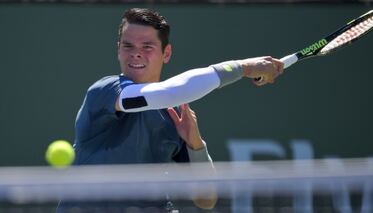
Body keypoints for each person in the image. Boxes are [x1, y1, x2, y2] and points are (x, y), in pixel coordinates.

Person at [57, 8, 283, 213]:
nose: (136, 53)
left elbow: (206, 199)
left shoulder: (175, 115)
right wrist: (243, 67)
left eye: (147, 47)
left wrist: (196, 145)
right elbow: (168, 92)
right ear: (118, 50)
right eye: (128, 46)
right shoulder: (104, 91)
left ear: (166, 54)